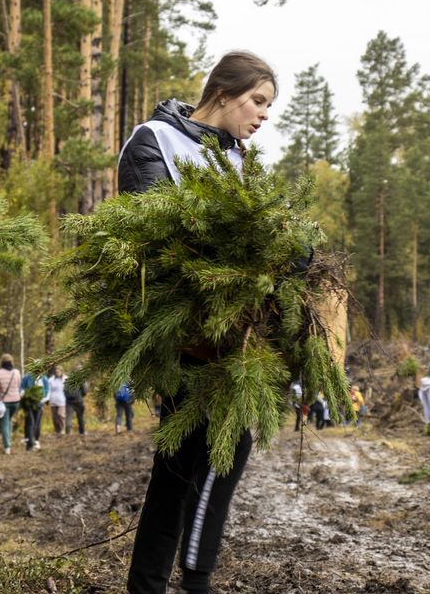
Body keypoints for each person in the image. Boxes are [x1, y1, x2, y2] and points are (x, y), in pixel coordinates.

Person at [117, 51, 276, 594]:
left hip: (232, 334)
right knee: (194, 459)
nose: (262, 116)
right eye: (257, 101)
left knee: (211, 455)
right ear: (224, 93)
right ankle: (179, 583)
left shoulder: (240, 161)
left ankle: (173, 583)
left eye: (269, 107)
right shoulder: (155, 140)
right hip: (180, 332)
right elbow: (157, 231)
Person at [0, 354, 22, 454]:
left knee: (4, 423)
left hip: (4, 401)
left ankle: (7, 446)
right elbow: (19, 385)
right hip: (16, 401)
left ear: (1, 362)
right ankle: (8, 441)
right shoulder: (17, 372)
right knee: (9, 420)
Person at [20, 370, 50, 451]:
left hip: (39, 403)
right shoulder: (27, 377)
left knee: (37, 422)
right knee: (30, 422)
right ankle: (30, 444)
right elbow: (22, 387)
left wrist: (43, 400)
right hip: (28, 403)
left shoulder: (44, 378)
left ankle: (36, 440)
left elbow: (47, 391)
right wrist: (23, 394)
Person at [47, 366, 69, 435]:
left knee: (61, 415)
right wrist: (47, 399)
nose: (57, 373)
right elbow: (48, 390)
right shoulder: (51, 380)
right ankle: (57, 430)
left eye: (58, 371)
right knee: (54, 417)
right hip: (53, 401)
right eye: (56, 372)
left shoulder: (65, 379)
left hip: (62, 401)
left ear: (61, 371)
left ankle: (62, 429)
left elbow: (69, 389)